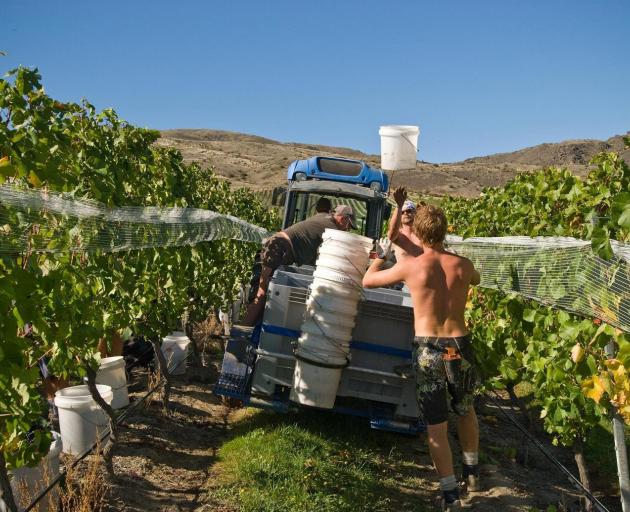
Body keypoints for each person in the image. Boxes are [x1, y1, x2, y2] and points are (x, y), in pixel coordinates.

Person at [363, 204, 481, 511]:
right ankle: (472, 471)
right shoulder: (464, 265)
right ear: (444, 231)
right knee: (466, 410)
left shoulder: (412, 266)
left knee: (436, 426)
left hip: (429, 350)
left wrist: (377, 258)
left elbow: (368, 281)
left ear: (418, 232)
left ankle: (450, 494)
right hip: (460, 346)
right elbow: (476, 278)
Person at [242, 204, 357, 325]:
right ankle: (243, 331)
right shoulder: (332, 229)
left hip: (277, 245)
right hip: (279, 248)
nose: (347, 229)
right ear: (343, 219)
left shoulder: (323, 217)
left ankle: (253, 327)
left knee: (267, 292)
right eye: (348, 226)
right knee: (262, 292)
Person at [387, 186, 423, 261]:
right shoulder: (398, 235)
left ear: (415, 213)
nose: (405, 213)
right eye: (402, 212)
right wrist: (399, 206)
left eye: (409, 211)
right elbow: (392, 235)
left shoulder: (423, 235)